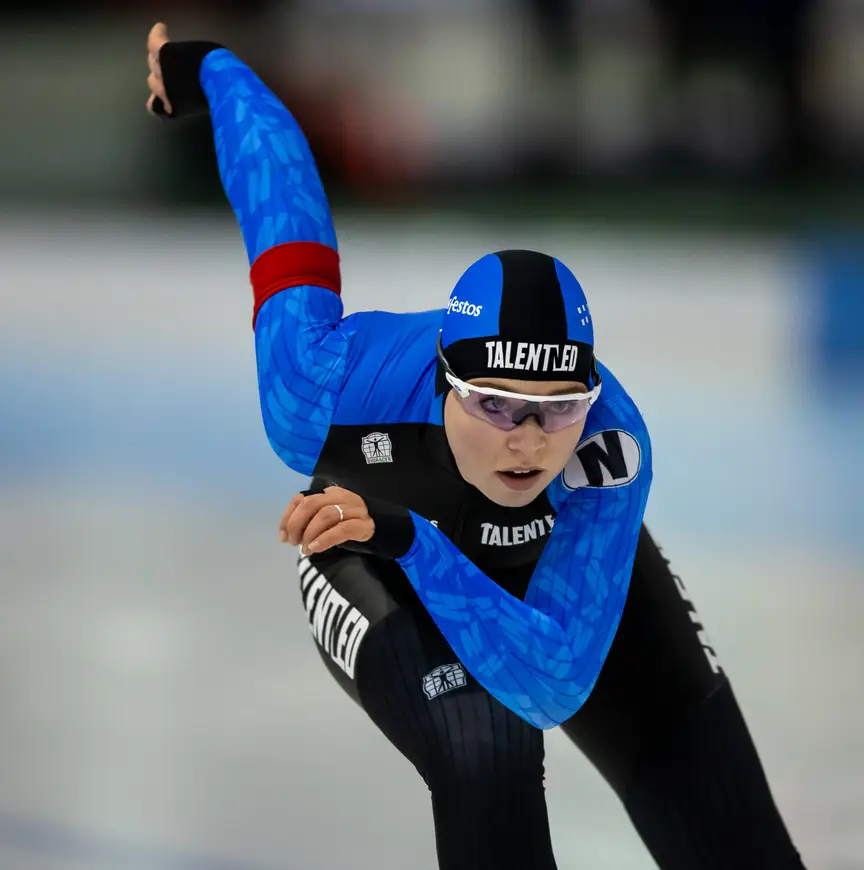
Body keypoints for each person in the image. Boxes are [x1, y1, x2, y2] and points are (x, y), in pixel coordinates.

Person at [145, 23, 807, 869]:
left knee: (731, 831)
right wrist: (213, 69)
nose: (528, 442)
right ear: (444, 384)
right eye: (495, 405)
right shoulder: (321, 390)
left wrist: (418, 538)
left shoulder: (610, 450)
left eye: (558, 410)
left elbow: (555, 678)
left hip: (429, 539)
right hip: (366, 545)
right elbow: (281, 200)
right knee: (485, 744)